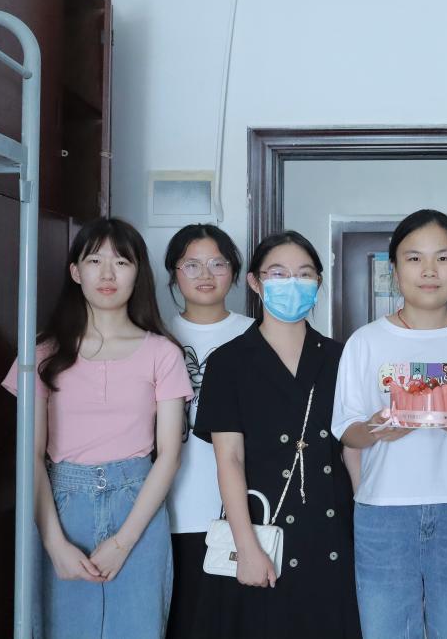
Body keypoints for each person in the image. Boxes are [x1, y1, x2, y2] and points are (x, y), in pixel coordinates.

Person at [2, 217, 192, 638]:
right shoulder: (42, 352)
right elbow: (30, 455)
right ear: (75, 272)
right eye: (94, 261)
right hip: (61, 509)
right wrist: (54, 543)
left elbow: (168, 457)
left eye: (121, 263)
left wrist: (123, 542)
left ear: (137, 274)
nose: (107, 274)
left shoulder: (163, 353)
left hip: (137, 506)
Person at [334, 209, 447, 639]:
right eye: (414, 258)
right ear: (395, 269)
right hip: (383, 512)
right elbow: (347, 430)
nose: (429, 270)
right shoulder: (365, 342)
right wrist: (377, 429)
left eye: (444, 258)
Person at [193, 230, 361, 639]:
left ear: (318, 281)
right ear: (255, 282)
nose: (293, 283)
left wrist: (371, 529)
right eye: (279, 274)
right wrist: (246, 546)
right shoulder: (228, 363)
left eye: (304, 274)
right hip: (263, 530)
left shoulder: (341, 358)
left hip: (333, 530)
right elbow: (229, 459)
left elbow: (352, 451)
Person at [162, 224, 254, 639]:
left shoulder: (257, 334)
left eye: (218, 263)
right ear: (174, 273)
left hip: (245, 511)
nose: (205, 274)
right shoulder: (156, 335)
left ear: (234, 272)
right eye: (192, 264)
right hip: (172, 510)